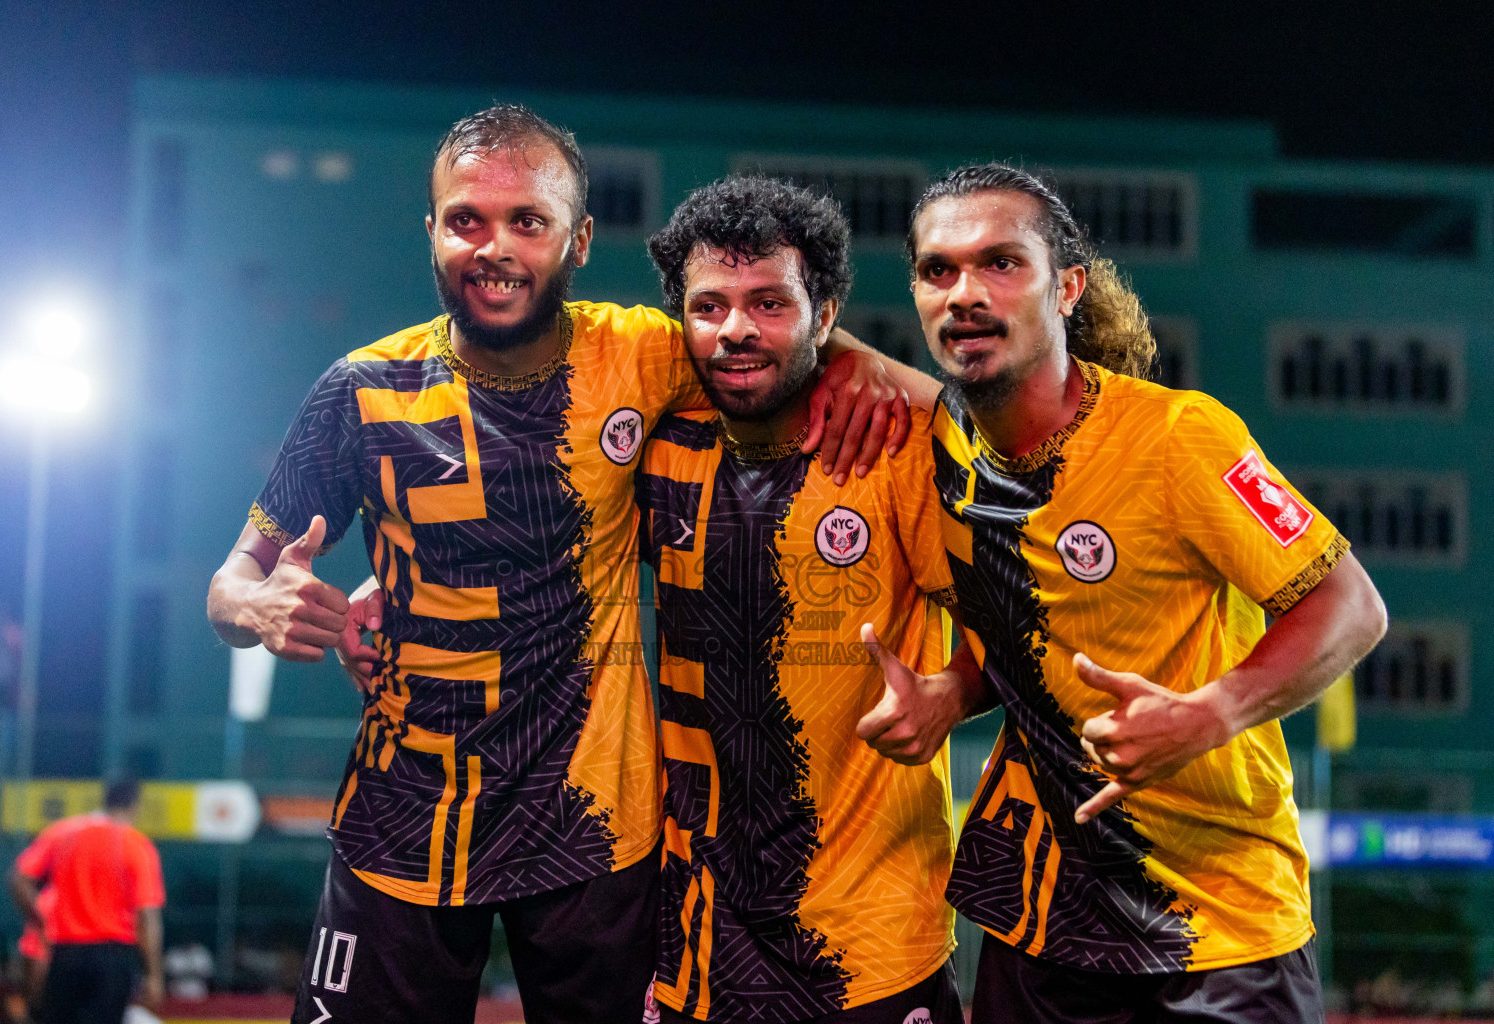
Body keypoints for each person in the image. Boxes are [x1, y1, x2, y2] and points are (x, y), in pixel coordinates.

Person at [206, 106, 921, 1024]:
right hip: (403, 822)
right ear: (431, 230)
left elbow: (767, 337)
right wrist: (260, 609)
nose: (494, 247)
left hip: (593, 836)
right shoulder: (358, 392)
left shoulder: (640, 356)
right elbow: (230, 582)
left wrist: (851, 350)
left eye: (527, 222)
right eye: (466, 219)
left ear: (578, 240)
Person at [863, 163, 1388, 1023]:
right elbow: (1033, 627)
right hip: (1040, 929)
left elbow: (1351, 607)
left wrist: (1210, 713)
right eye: (938, 270)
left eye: (1001, 263)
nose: (964, 293)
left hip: (1220, 933)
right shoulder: (940, 453)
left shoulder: (1178, 438)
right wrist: (953, 692)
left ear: (1067, 287)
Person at [635, 175, 969, 1024]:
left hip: (874, 950)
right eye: (709, 307)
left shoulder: (897, 449)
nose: (736, 329)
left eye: (770, 303)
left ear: (825, 315)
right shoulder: (655, 446)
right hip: (691, 954)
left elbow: (1027, 622)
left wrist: (957, 692)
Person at [11, 780, 165, 1024]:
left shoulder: (62, 833)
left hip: (65, 955)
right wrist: (153, 974)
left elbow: (19, 879)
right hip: (112, 959)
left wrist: (41, 921)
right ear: (134, 806)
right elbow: (147, 916)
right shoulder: (136, 845)